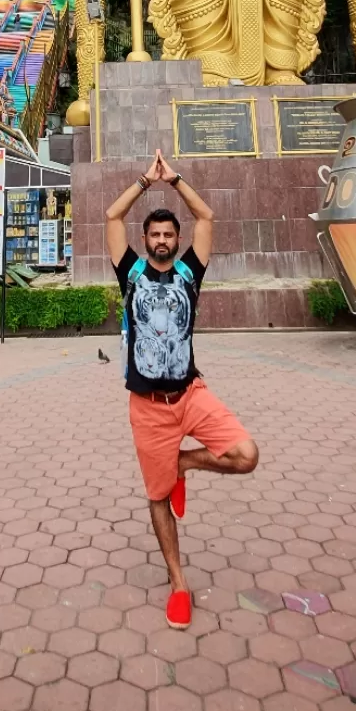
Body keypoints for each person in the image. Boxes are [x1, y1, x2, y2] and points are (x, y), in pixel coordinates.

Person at [105, 149, 258, 631]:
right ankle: (178, 583)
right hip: (147, 406)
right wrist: (144, 182)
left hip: (191, 394)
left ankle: (182, 465)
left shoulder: (191, 274)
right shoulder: (129, 273)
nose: (165, 240)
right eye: (157, 234)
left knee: (246, 455)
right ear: (146, 240)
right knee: (156, 496)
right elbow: (112, 215)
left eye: (170, 234)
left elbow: (206, 215)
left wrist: (175, 180)